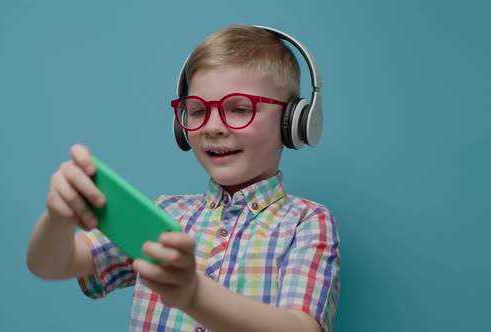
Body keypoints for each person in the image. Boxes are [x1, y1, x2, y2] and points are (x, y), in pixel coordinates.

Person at [27, 25, 340, 332]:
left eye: (240, 109)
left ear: (294, 122)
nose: (212, 127)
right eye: (197, 110)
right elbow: (51, 264)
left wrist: (193, 294)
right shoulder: (165, 215)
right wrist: (58, 217)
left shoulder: (307, 223)